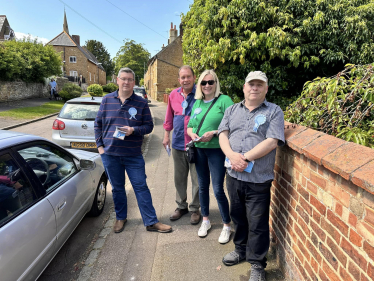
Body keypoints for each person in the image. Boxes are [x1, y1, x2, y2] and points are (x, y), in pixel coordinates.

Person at [218, 71, 285, 281]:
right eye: (251, 84)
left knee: (257, 222)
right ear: (244, 87)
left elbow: (272, 140)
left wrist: (244, 158)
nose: (254, 88)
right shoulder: (231, 110)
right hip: (233, 176)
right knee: (237, 216)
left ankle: (257, 264)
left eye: (259, 85)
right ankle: (240, 250)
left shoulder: (274, 111)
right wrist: (231, 155)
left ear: (266, 89)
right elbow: (223, 134)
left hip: (258, 178)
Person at [94, 67, 172, 234]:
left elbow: (149, 126)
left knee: (141, 186)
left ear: (134, 82)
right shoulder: (107, 100)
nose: (126, 82)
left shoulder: (141, 102)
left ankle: (151, 221)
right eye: (123, 79)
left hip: (133, 155)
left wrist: (133, 130)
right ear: (117, 80)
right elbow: (97, 124)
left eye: (129, 79)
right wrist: (100, 147)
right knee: (117, 188)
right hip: (110, 155)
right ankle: (121, 218)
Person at [186, 69, 233, 243]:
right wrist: (192, 134)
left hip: (217, 150)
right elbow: (190, 125)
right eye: (203, 83)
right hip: (199, 149)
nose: (207, 85)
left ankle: (226, 225)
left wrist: (213, 132)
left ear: (215, 83)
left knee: (218, 188)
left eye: (210, 82)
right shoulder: (197, 103)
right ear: (200, 85)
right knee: (202, 186)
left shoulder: (224, 100)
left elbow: (233, 124)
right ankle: (205, 220)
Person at [163, 65, 201, 225]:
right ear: (179, 80)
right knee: (179, 178)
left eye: (188, 77)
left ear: (194, 78)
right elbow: (169, 117)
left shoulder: (200, 95)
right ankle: (181, 206)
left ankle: (195, 208)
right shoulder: (173, 94)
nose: (185, 80)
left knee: (197, 179)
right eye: (182, 77)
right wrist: (166, 135)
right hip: (178, 143)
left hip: (196, 144)